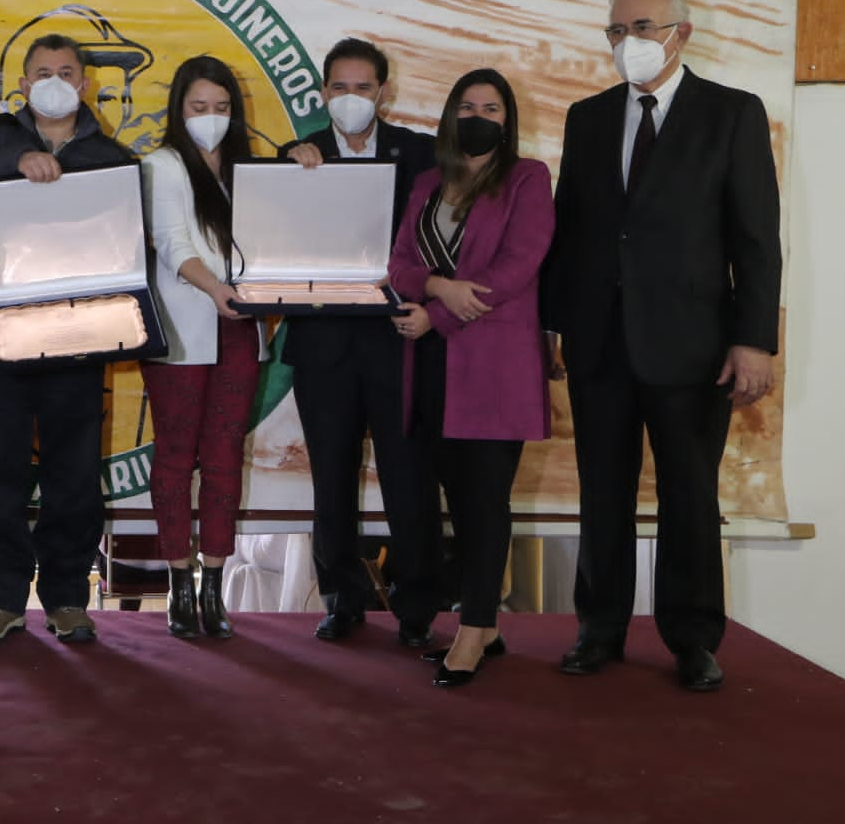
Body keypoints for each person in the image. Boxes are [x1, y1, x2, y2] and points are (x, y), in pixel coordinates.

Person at [544, 0, 781, 693]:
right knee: (602, 492)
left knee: (688, 495)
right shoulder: (586, 118)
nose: (628, 44)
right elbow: (570, 233)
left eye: (640, 27)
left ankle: (692, 638)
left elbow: (756, 238)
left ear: (681, 31)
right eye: (615, 31)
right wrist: (552, 326)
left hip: (694, 343)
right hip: (599, 342)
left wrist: (755, 339)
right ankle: (599, 628)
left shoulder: (732, 115)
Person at [0, 33, 135, 645]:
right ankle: (1, 597)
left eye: (67, 70)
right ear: (23, 84)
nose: (55, 79)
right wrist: (18, 162)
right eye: (42, 71)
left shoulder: (111, 156)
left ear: (85, 84)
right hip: (0, 330)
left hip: (78, 333)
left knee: (73, 471)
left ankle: (67, 598)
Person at [387, 68, 553, 688]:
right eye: (467, 105)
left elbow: (516, 268)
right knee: (456, 497)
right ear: (450, 115)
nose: (477, 115)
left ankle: (474, 627)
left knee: (485, 498)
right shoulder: (430, 181)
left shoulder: (527, 178)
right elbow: (400, 261)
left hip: (492, 364)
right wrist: (434, 288)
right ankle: (486, 623)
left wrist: (434, 315)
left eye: (491, 107)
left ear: (507, 121)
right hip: (430, 364)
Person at [279, 38, 442, 647]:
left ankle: (418, 605)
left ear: (384, 92)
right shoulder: (296, 156)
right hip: (323, 346)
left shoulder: (422, 155)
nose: (352, 100)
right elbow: (279, 243)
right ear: (324, 94)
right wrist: (291, 179)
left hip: (397, 339)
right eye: (340, 89)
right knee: (332, 478)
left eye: (364, 88)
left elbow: (438, 240)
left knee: (409, 476)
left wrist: (426, 302)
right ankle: (342, 599)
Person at [139, 56, 266, 639]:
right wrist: (215, 288)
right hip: (184, 326)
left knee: (223, 459)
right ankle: (178, 580)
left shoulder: (249, 170)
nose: (210, 118)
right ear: (178, 110)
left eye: (221, 107)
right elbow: (171, 242)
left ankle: (214, 580)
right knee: (174, 458)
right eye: (198, 107)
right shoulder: (163, 164)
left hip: (241, 327)